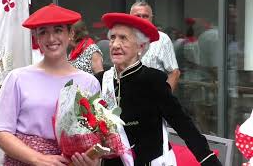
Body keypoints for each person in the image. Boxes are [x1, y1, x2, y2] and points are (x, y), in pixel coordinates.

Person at [95, 12, 222, 166]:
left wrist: (207, 158)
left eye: (123, 38)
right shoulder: (101, 80)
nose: (115, 44)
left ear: (140, 47)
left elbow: (180, 121)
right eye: (112, 38)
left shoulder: (153, 79)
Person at [0, 3, 101, 166]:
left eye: (58, 30)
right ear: (36, 37)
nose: (51, 39)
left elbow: (95, 136)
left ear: (70, 34)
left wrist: (90, 161)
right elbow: (1, 132)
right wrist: (38, 159)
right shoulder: (18, 78)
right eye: (43, 32)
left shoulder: (88, 82)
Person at [130, 1, 180, 91]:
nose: (141, 19)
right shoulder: (123, 38)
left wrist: (165, 97)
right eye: (137, 16)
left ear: (151, 18)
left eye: (145, 16)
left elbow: (174, 72)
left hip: (153, 96)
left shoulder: (162, 39)